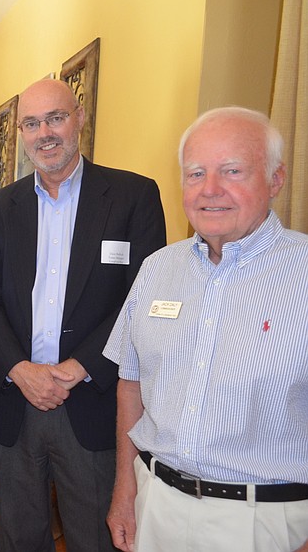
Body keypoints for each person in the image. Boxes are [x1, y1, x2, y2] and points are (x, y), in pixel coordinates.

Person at [0, 78, 166, 552]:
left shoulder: (132, 196)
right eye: (31, 124)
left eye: (54, 118)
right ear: (21, 133)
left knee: (98, 536)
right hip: (15, 404)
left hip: (95, 403)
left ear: (79, 118)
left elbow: (142, 298)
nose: (44, 133)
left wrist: (79, 368)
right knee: (16, 537)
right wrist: (20, 370)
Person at [104, 106, 308, 552]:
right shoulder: (157, 269)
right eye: (195, 173)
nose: (210, 190)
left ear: (276, 180)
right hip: (157, 505)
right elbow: (131, 382)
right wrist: (125, 489)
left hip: (266, 523)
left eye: (232, 171)